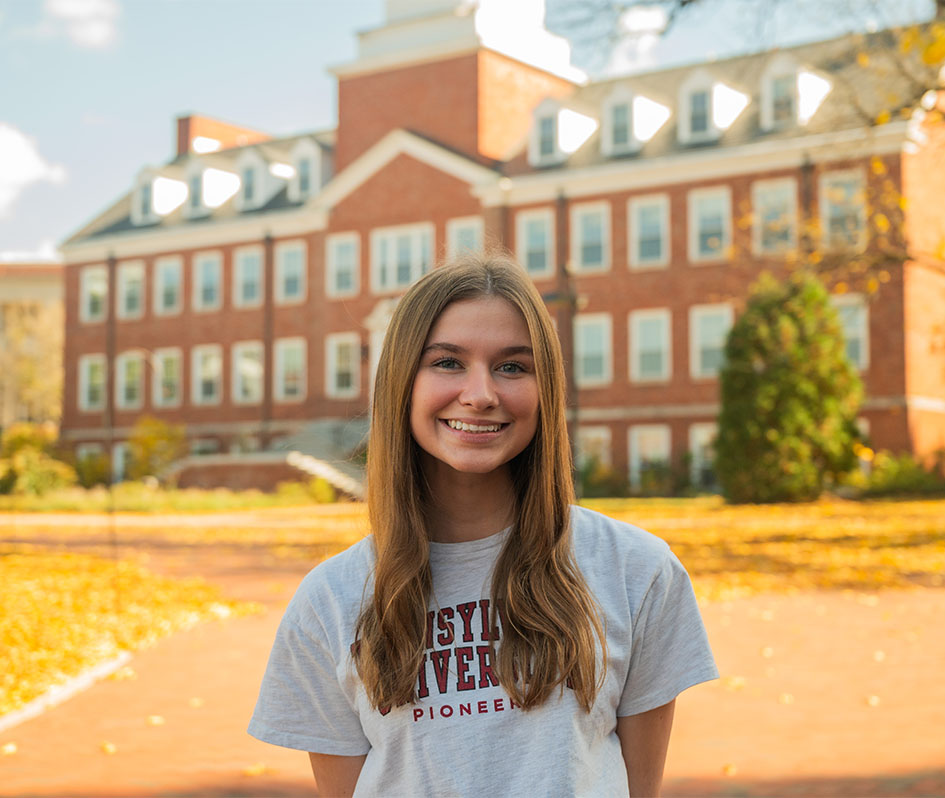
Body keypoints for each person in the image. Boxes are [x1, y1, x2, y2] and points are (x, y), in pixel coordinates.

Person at [249, 254, 717, 797]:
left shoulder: (638, 571)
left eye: (513, 366)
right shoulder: (331, 600)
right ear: (402, 379)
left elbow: (639, 788)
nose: (481, 394)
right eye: (447, 362)